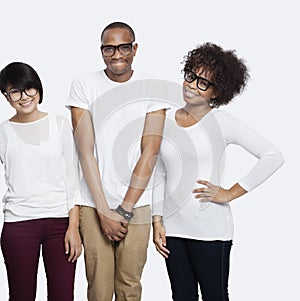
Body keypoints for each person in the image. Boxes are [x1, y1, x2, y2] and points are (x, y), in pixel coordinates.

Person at [152, 42, 285, 301]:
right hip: (173, 230)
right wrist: (157, 219)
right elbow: (159, 172)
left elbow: (273, 156)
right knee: (181, 296)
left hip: (210, 231)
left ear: (216, 92)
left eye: (204, 82)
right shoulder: (165, 120)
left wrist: (230, 193)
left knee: (215, 296)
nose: (192, 85)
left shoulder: (222, 123)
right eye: (191, 76)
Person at [66, 21, 166, 301]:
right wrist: (103, 210)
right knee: (98, 287)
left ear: (134, 48)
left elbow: (150, 151)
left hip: (137, 203)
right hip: (92, 202)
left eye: (124, 47)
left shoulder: (152, 87)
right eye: (109, 48)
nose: (117, 54)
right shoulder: (83, 84)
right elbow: (84, 150)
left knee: (129, 285)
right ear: (102, 51)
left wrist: (124, 209)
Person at [0, 62, 82, 301]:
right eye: (15, 91)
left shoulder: (59, 124)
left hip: (60, 224)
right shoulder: (2, 132)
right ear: (6, 96)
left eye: (29, 89)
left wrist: (74, 228)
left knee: (62, 296)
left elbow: (72, 179)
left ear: (38, 89)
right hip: (18, 223)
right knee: (21, 296)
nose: (24, 97)